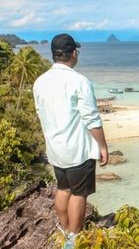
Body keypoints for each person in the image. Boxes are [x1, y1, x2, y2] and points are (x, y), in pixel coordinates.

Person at [33, 34, 108, 248]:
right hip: (77, 150)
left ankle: (65, 229)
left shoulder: (40, 82)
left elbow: (40, 113)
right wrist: (102, 146)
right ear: (73, 53)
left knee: (63, 188)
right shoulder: (79, 81)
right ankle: (73, 238)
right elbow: (92, 119)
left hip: (55, 149)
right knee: (79, 193)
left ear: (55, 55)